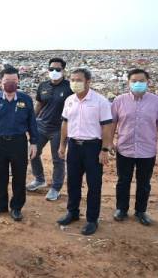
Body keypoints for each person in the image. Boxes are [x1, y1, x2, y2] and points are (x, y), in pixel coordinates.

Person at [57, 68, 113, 236]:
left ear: (88, 82)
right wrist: (62, 145)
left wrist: (105, 149)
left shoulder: (100, 101)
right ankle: (72, 212)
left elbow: (107, 127)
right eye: (72, 79)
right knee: (73, 182)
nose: (75, 83)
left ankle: (91, 219)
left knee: (94, 185)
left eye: (79, 80)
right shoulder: (69, 100)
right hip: (74, 146)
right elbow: (65, 124)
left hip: (93, 147)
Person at [111, 69, 158, 226]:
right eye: (134, 81)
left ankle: (140, 211)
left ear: (148, 82)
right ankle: (121, 209)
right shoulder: (119, 101)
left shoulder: (157, 102)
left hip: (147, 150)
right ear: (128, 82)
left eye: (141, 81)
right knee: (123, 181)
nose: (138, 84)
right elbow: (112, 123)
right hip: (124, 149)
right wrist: (109, 142)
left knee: (144, 183)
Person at [0, 65, 39, 222]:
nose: (10, 83)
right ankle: (0, 205)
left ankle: (16, 207)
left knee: (19, 176)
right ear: (1, 82)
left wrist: (34, 143)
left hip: (19, 143)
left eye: (14, 80)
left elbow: (32, 123)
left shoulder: (25, 99)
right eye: (7, 80)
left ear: (18, 81)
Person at [27, 58, 73, 201]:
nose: (54, 72)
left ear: (63, 70)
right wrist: (31, 121)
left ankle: (56, 188)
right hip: (41, 126)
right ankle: (39, 179)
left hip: (60, 129)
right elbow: (39, 105)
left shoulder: (69, 87)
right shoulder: (43, 86)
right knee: (33, 152)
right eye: (51, 69)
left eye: (58, 69)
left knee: (58, 159)